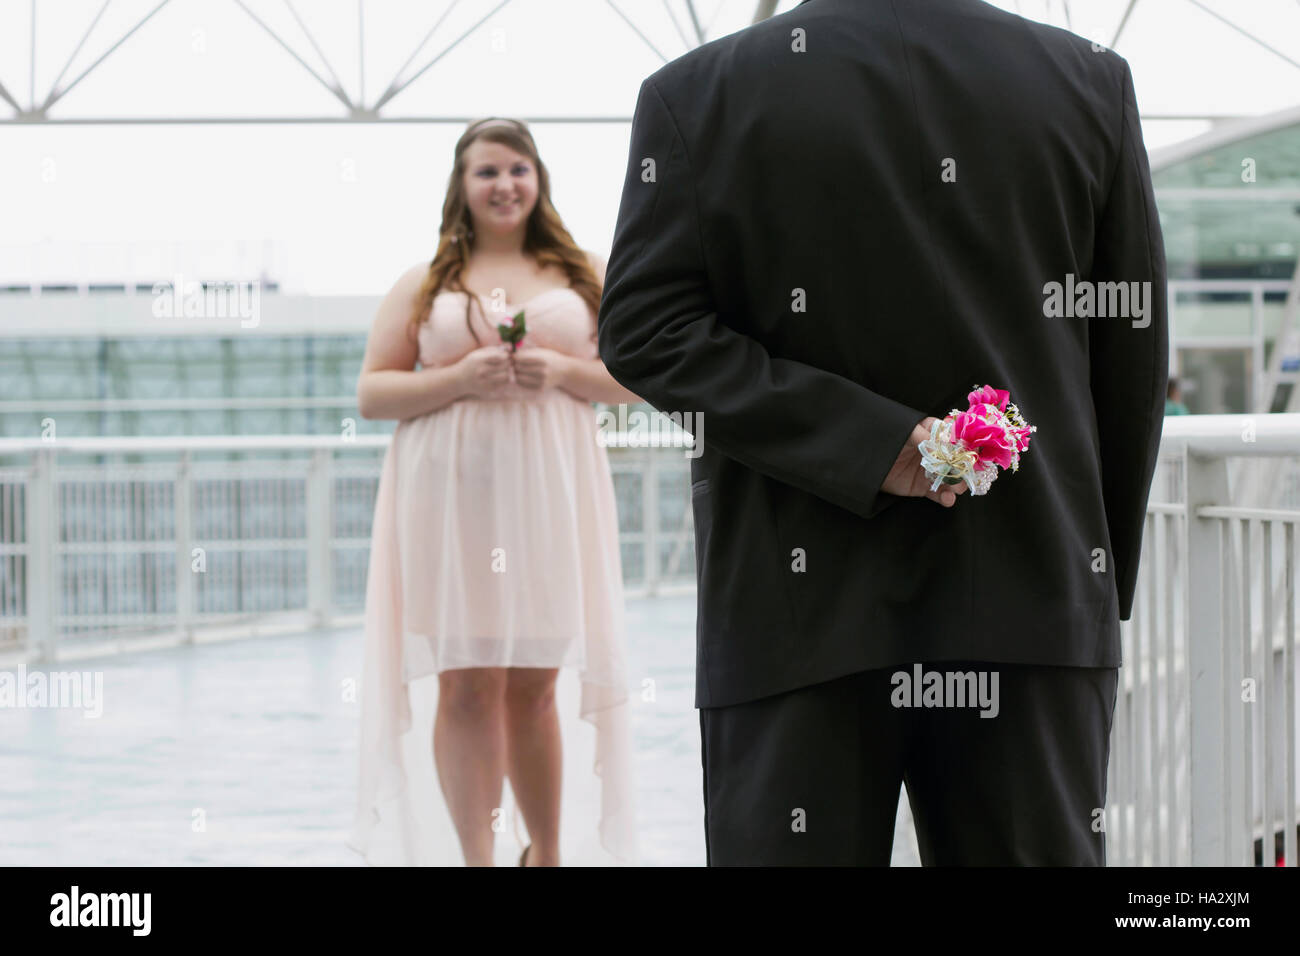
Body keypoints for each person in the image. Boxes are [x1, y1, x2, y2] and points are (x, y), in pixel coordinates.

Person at [598, 0, 1168, 865]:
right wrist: (1093, 592)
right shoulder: (1086, 80)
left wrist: (871, 445)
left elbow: (646, 331)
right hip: (1032, 600)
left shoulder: (696, 92)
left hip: (793, 616)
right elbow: (1129, 366)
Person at [350, 117, 642, 866]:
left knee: (535, 684)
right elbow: (373, 395)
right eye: (487, 171)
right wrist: (456, 379)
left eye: (517, 168)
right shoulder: (424, 282)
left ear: (537, 178)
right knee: (467, 683)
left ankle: (543, 855)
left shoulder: (584, 273)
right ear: (462, 185)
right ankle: (478, 859)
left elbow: (636, 379)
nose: (504, 184)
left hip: (548, 500)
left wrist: (565, 373)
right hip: (449, 512)